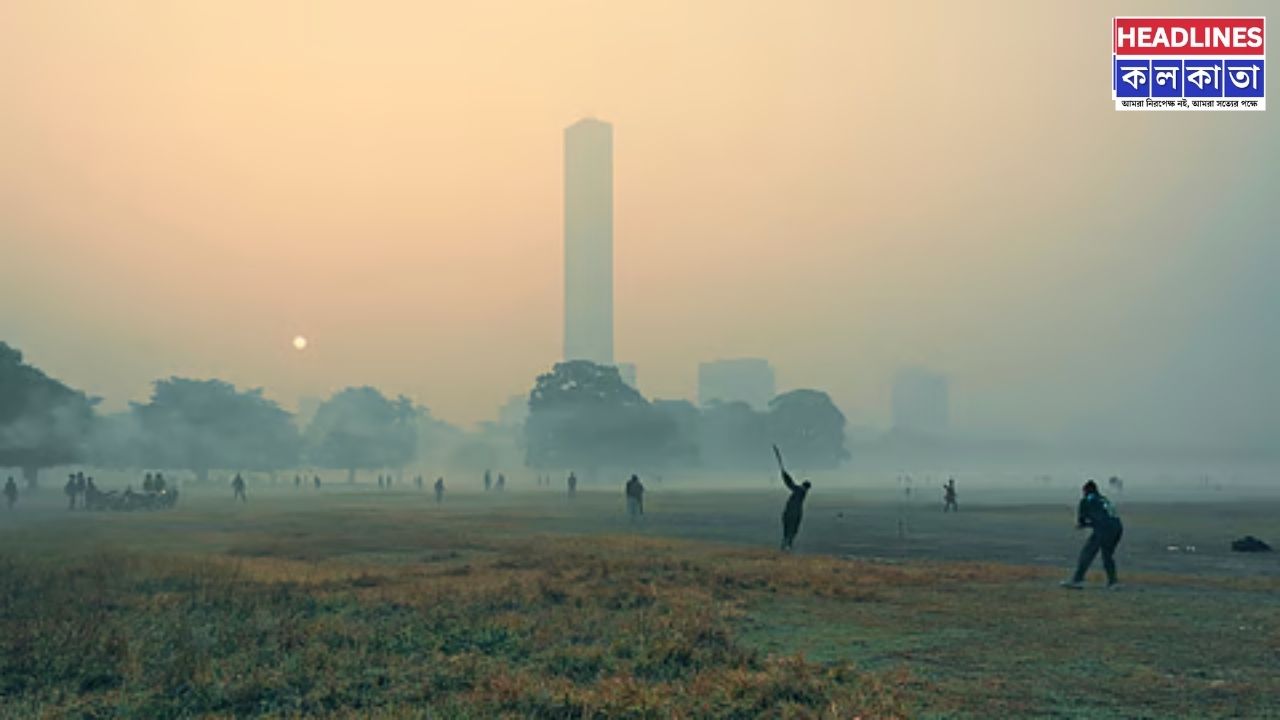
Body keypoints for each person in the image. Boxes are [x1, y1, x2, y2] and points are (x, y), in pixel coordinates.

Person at [1061, 480, 1124, 589]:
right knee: (1107, 556)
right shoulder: (1104, 499)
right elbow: (1105, 516)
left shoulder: (1086, 500)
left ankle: (1077, 580)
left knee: (1087, 553)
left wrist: (1083, 525)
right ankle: (1113, 582)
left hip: (1104, 529)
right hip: (1117, 528)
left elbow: (1082, 521)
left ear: (1085, 491)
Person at [779, 467, 811, 551]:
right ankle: (787, 546)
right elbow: (790, 484)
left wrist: (785, 475)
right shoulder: (801, 492)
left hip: (791, 514)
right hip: (794, 514)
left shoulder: (799, 491)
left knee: (788, 531)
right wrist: (785, 475)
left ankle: (786, 546)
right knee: (791, 531)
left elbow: (790, 484)